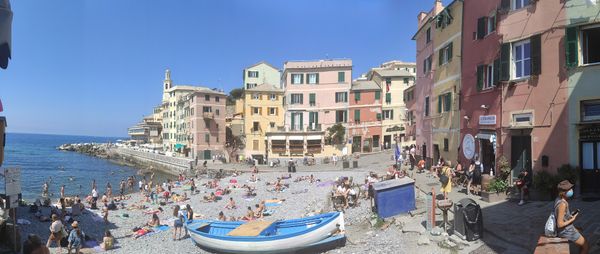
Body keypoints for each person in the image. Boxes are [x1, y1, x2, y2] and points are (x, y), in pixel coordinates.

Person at [555, 180, 589, 254]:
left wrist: (569, 216)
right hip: (566, 231)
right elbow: (559, 224)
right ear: (564, 192)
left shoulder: (559, 199)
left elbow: (561, 215)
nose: (571, 190)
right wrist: (573, 219)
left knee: (580, 231)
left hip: (566, 229)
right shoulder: (562, 204)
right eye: (569, 189)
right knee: (586, 246)